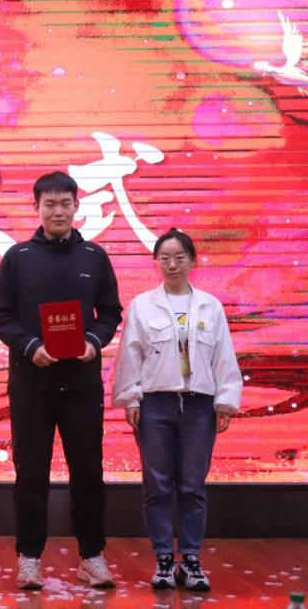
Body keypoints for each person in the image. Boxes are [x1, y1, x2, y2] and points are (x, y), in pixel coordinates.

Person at [0, 171, 122, 590]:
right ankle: (29, 558)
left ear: (77, 206)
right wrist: (29, 346)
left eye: (65, 203)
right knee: (31, 473)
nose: (58, 211)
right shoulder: (18, 257)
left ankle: (92, 556)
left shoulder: (94, 256)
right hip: (32, 385)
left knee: (88, 472)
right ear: (37, 208)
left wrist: (94, 342)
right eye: (50, 204)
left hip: (81, 384)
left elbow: (110, 313)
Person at [112, 228, 242, 592]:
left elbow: (223, 355)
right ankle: (164, 560)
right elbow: (130, 354)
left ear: (193, 262)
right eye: (165, 258)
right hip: (156, 404)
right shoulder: (143, 305)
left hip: (199, 405)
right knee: (157, 485)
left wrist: (225, 401)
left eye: (179, 258)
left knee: (192, 485)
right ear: (155, 262)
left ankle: (192, 559)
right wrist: (130, 398)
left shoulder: (210, 306)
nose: (172, 265)